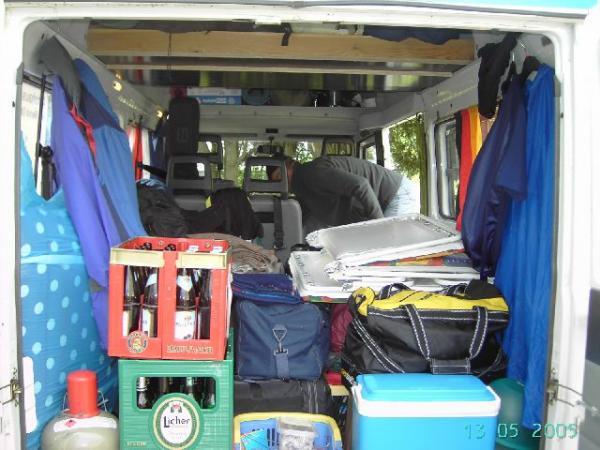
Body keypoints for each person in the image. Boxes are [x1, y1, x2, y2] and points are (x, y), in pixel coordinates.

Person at [269, 155, 418, 227]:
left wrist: (379, 225)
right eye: (277, 180)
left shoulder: (314, 173)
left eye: (281, 174)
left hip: (395, 194)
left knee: (388, 248)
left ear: (291, 164)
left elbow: (361, 186)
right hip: (385, 199)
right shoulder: (305, 190)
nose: (283, 181)